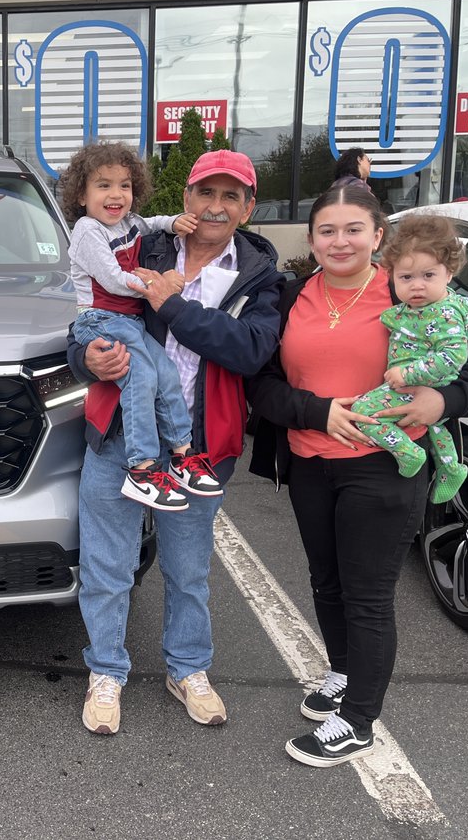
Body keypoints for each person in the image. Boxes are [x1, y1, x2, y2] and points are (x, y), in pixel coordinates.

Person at [246, 185, 468, 767]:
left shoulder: (412, 288)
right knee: (326, 582)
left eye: (354, 229)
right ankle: (343, 671)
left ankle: (358, 720)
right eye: (327, 231)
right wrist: (318, 412)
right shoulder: (289, 298)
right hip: (310, 462)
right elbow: (260, 384)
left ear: (378, 236)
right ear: (310, 241)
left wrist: (441, 402)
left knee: (366, 595)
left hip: (385, 467)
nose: (340, 241)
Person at [67, 149, 283, 735]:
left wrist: (173, 304)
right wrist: (86, 359)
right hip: (117, 434)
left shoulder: (261, 276)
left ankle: (188, 668)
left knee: (188, 571)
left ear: (247, 208)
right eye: (205, 193)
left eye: (230, 196)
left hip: (201, 448)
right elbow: (86, 323)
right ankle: (106, 671)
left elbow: (249, 350)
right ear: (186, 199)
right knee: (105, 565)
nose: (215, 206)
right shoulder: (143, 244)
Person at [59, 141, 225, 512]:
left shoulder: (129, 222)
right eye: (103, 185)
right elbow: (115, 279)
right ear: (82, 196)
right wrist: (159, 285)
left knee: (165, 372)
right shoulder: (88, 231)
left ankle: (182, 454)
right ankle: (142, 467)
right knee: (141, 378)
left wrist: (173, 223)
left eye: (125, 185)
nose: (116, 194)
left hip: (129, 322)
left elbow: (150, 224)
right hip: (99, 320)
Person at [350, 214, 468, 503]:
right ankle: (451, 467)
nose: (416, 286)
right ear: (392, 276)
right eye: (406, 278)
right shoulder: (428, 307)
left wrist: (406, 375)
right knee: (434, 425)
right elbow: (410, 323)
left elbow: (452, 356)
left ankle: (408, 453)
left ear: (449, 273)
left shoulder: (445, 313)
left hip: (415, 382)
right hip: (421, 385)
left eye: (428, 275)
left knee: (364, 412)